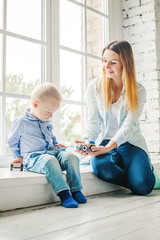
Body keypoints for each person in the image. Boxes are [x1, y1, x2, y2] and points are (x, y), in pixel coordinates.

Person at [77, 40, 155, 195]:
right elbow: (93, 122)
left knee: (143, 187)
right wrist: (87, 141)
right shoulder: (94, 87)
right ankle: (135, 176)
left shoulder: (138, 90)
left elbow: (129, 125)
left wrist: (109, 147)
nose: (106, 66)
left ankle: (141, 175)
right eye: (104, 61)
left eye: (113, 62)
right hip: (104, 142)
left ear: (125, 64)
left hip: (130, 143)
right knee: (101, 168)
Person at [8, 83, 87, 208]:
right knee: (50, 161)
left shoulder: (46, 121)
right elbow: (12, 142)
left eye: (53, 112)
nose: (51, 116)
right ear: (35, 104)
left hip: (52, 152)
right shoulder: (21, 122)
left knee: (72, 157)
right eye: (49, 111)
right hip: (34, 157)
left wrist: (56, 144)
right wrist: (17, 156)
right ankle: (64, 194)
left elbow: (51, 137)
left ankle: (76, 190)